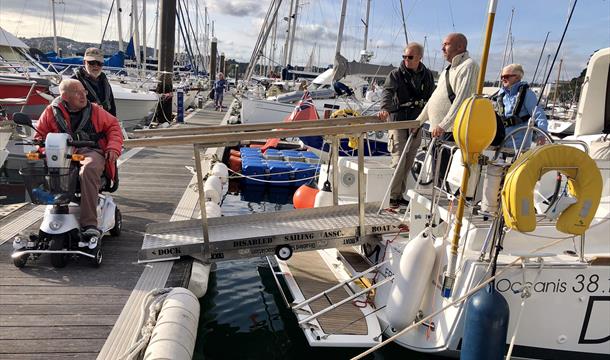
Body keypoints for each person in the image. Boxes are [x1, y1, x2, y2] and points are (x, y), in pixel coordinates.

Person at [35, 79, 123, 237]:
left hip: (90, 150)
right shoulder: (51, 111)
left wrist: (113, 147)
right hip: (63, 153)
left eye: (84, 91)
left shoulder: (95, 110)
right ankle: (57, 213)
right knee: (55, 171)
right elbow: (39, 137)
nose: (83, 96)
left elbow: (114, 126)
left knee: (88, 169)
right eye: (77, 92)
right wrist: (43, 150)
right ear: (65, 96)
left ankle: (89, 223)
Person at [415, 33, 479, 189]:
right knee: (438, 168)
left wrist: (444, 124)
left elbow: (462, 100)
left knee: (445, 169)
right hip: (438, 129)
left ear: (460, 47)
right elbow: (433, 99)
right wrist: (419, 121)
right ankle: (439, 196)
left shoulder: (469, 66)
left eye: (446, 44)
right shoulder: (448, 69)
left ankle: (443, 201)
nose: (442, 48)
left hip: (449, 129)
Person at [378, 42, 435, 207]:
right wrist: (384, 109)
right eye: (404, 57)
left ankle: (398, 195)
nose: (406, 60)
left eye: (410, 57)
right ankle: (392, 196)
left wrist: (424, 120)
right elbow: (387, 91)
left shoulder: (427, 75)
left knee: (409, 161)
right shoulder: (396, 74)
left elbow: (432, 98)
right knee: (399, 160)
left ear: (419, 58)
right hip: (398, 120)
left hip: (417, 122)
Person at [493, 63, 547, 149]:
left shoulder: (527, 95)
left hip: (518, 147)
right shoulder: (501, 95)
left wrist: (542, 135)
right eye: (502, 77)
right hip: (500, 144)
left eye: (506, 76)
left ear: (517, 77)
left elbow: (539, 115)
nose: (503, 79)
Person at [72, 47, 117, 117]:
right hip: (82, 126)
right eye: (91, 62)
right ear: (84, 62)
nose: (95, 66)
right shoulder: (73, 82)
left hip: (104, 124)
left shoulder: (105, 82)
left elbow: (112, 108)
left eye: (99, 63)